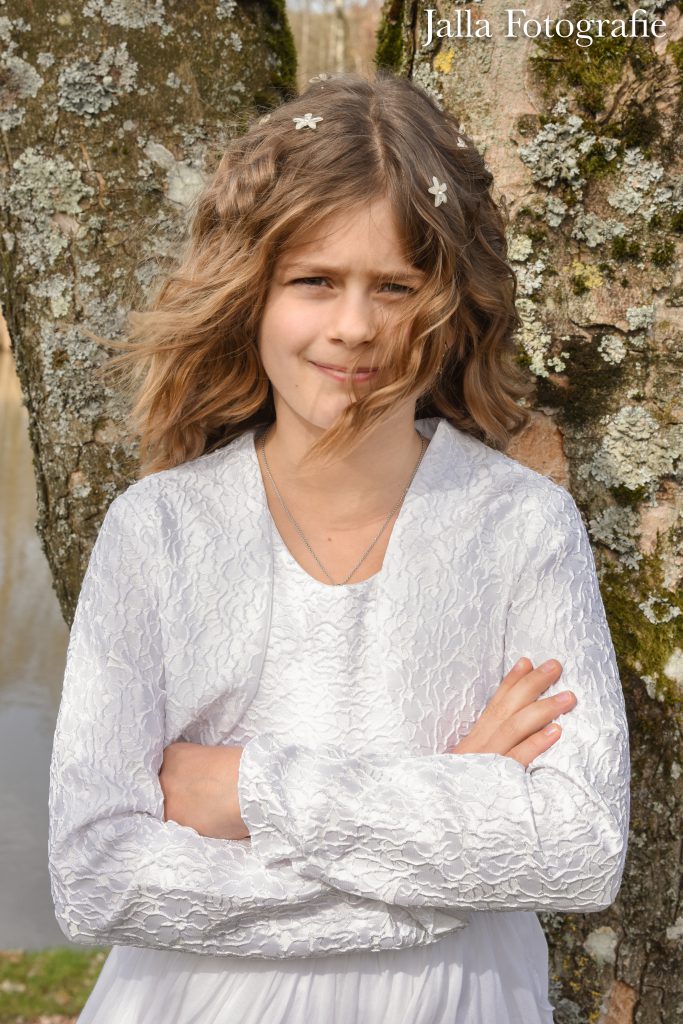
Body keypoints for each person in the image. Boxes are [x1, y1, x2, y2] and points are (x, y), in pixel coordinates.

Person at [48, 70, 630, 1023]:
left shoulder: (519, 527)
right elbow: (96, 875)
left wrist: (250, 789)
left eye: (394, 287)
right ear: (251, 292)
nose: (354, 327)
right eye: (314, 281)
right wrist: (448, 825)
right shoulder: (158, 530)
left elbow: (577, 848)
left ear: (449, 303)